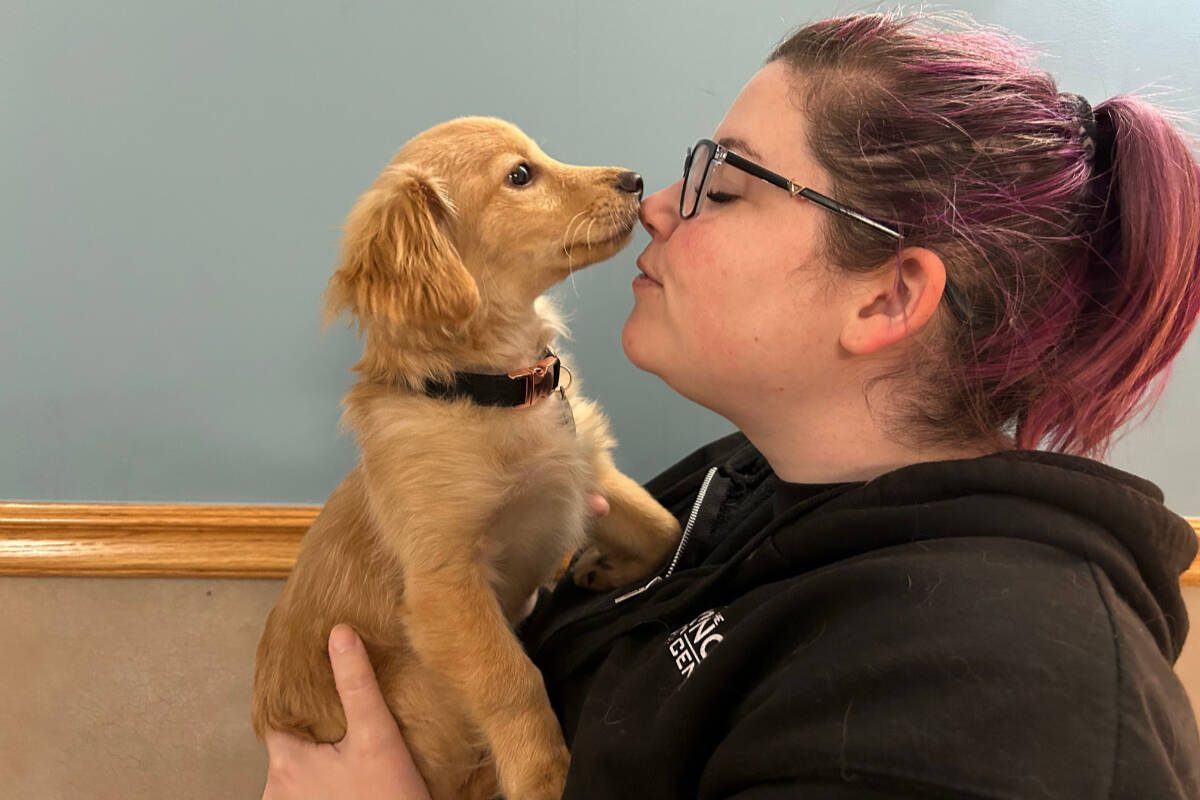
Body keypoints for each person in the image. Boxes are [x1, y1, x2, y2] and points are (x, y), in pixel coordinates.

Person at [261, 11, 1200, 799]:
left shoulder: (991, 713)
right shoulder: (740, 484)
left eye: (730, 185)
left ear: (886, 298)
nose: (662, 204)